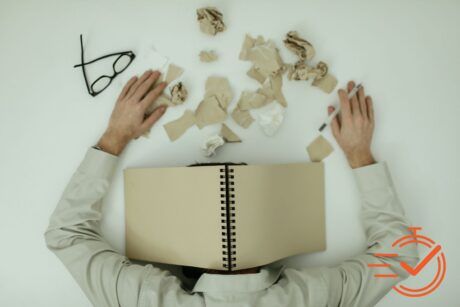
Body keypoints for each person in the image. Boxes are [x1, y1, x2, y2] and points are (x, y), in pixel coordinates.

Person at [44, 69, 419, 307]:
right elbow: (399, 256)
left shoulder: (146, 299)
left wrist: (114, 138)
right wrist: (359, 155)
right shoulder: (311, 297)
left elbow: (65, 235)